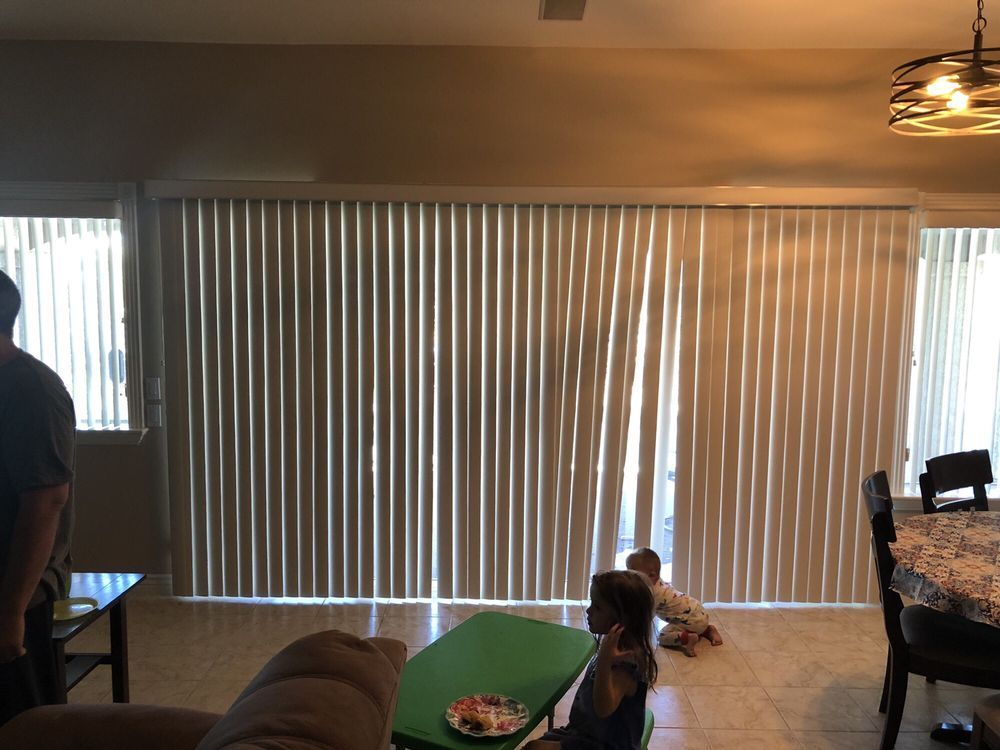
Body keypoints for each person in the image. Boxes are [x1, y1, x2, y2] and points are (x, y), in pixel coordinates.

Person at [0, 269, 76, 725]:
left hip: (15, 594)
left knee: (24, 728)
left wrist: (10, 611)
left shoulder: (31, 390)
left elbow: (45, 502)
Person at [525, 570, 657, 750]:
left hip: (607, 745)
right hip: (585, 733)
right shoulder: (614, 646)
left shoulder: (626, 661)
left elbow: (604, 708)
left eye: (597, 607)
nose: (588, 610)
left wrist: (604, 661)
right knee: (535, 745)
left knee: (535, 748)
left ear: (622, 617)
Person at [625, 547, 722, 657]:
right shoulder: (658, 583)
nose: (629, 577)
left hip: (690, 620)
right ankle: (707, 629)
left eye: (634, 575)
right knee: (693, 622)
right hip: (700, 612)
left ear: (652, 575)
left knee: (661, 636)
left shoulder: (652, 594)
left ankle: (688, 638)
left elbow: (644, 618)